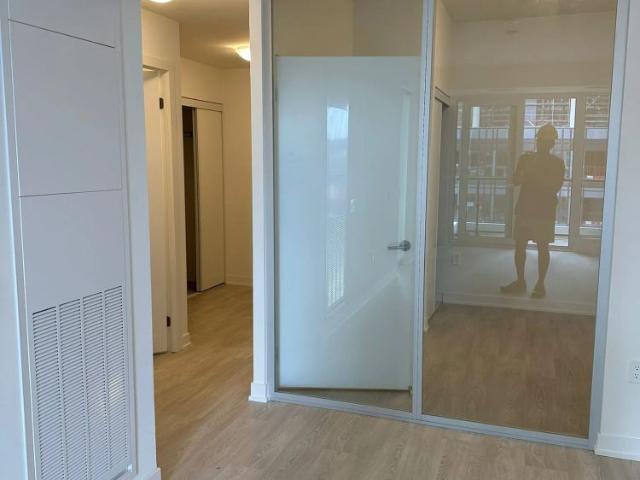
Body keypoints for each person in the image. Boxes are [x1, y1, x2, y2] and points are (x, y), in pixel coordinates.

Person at [501, 123, 565, 299]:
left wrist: (535, 174)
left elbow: (555, 187)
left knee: (542, 247)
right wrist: (526, 172)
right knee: (520, 246)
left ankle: (540, 283)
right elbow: (516, 180)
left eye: (546, 142)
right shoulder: (526, 158)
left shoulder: (558, 163)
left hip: (544, 210)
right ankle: (520, 281)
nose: (542, 144)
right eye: (541, 141)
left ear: (552, 144)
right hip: (526, 208)